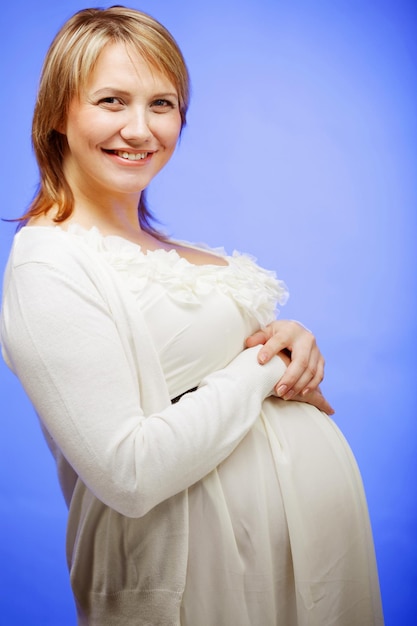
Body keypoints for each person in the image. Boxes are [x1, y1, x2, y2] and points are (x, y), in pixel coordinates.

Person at [0, 6, 383, 625]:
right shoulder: (50, 263)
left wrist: (295, 344)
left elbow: (217, 388)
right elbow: (130, 471)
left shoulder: (180, 249)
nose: (140, 128)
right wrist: (265, 367)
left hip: (308, 572)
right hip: (196, 586)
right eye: (112, 101)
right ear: (58, 115)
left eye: (162, 104)